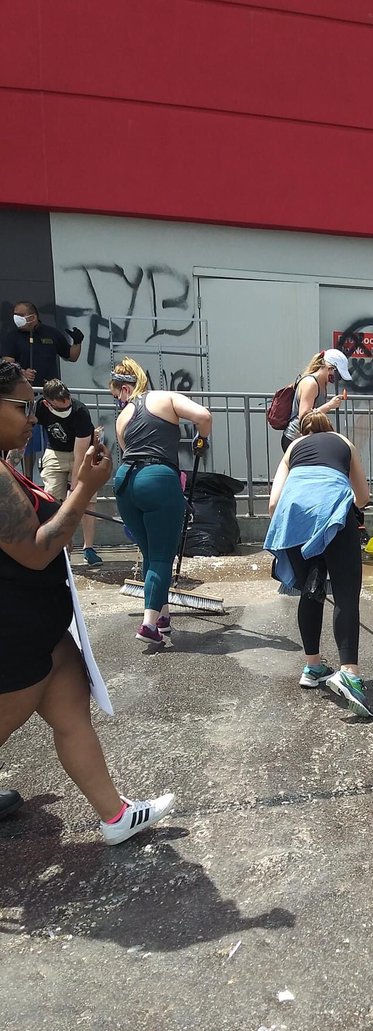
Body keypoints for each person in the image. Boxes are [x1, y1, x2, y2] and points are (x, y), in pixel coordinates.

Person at [0, 361, 175, 841]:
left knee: (72, 708)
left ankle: (116, 816)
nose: (33, 417)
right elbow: (35, 551)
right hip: (13, 636)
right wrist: (85, 488)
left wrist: (79, 483)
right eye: (22, 406)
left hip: (39, 629)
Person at [267, 410, 373, 717]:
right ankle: (349, 674)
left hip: (295, 516)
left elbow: (274, 503)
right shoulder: (343, 441)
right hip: (333, 511)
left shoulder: (293, 449)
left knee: (310, 592)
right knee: (345, 592)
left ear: (303, 432)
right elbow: (363, 497)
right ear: (329, 428)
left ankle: (313, 668)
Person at [110, 357, 212, 645]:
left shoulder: (123, 417)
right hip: (157, 479)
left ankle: (163, 616)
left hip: (125, 481)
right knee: (160, 556)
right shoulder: (164, 397)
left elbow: (127, 450)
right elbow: (204, 416)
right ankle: (148, 625)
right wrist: (200, 440)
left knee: (150, 553)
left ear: (125, 388)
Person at [1, 301, 84, 481]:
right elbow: (6, 364)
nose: (16, 319)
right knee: (27, 437)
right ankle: (27, 477)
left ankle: (49, 474)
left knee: (51, 434)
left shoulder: (51, 334)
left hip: (50, 396)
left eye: (20, 315)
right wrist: (21, 372)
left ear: (32, 316)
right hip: (25, 398)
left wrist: (77, 341)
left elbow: (71, 355)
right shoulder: (12, 337)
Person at [35, 379, 103, 566]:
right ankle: (59, 547)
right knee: (51, 500)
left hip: (80, 453)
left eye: (68, 404)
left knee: (87, 500)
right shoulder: (39, 408)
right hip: (55, 453)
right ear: (48, 403)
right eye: (61, 407)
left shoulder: (79, 411)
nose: (67, 408)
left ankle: (88, 548)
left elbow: (80, 455)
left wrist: (75, 488)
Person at [281, 349, 351, 453]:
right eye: (338, 375)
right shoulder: (311, 383)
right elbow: (305, 416)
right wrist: (329, 405)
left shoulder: (322, 383)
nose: (337, 379)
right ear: (330, 368)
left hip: (307, 437)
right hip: (296, 438)